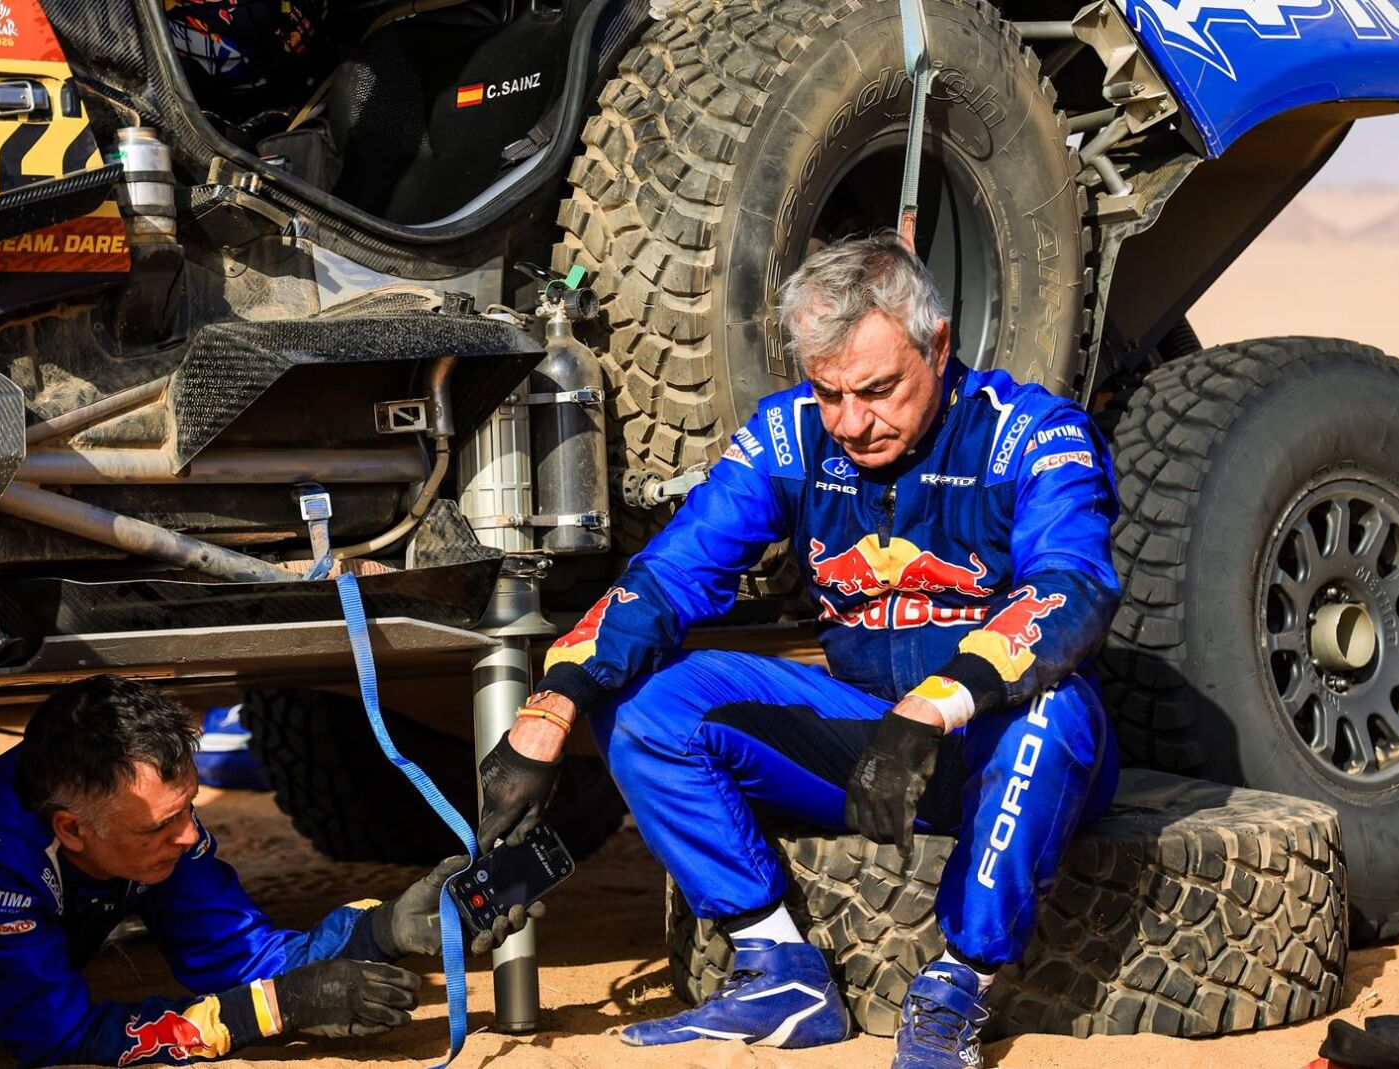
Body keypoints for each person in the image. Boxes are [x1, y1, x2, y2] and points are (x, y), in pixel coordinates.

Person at [475, 231, 1120, 1069]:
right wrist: (551, 706)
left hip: (999, 737)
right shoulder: (789, 436)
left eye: (878, 390)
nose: (852, 422)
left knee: (1055, 711)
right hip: (867, 734)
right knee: (639, 701)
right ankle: (779, 967)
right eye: (829, 392)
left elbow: (1073, 587)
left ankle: (958, 985)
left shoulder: (1031, 432)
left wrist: (936, 705)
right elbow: (670, 575)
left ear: (939, 347)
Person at [0, 674, 527, 1066]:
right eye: (160, 825)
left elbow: (244, 960)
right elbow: (62, 1039)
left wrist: (384, 929)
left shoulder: (149, 822)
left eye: (189, 805)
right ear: (71, 828)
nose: (189, 835)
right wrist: (274, 1011)